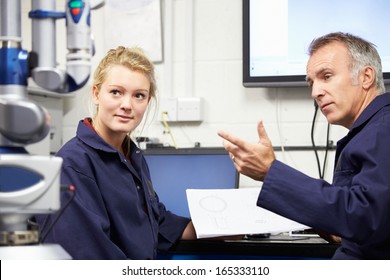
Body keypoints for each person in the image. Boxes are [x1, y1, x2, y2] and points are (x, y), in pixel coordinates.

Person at [218, 32, 390, 259]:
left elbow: (368, 220)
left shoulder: (384, 127)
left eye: (326, 76)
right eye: (311, 82)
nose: (315, 92)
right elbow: (366, 223)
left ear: (366, 76)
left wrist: (271, 172)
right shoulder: (370, 130)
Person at [35, 46, 196, 259]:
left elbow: (151, 220)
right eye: (116, 92)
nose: (127, 105)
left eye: (139, 95)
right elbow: (89, 257)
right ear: (96, 94)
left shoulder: (132, 156)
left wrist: (214, 228)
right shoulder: (72, 164)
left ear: (147, 101)